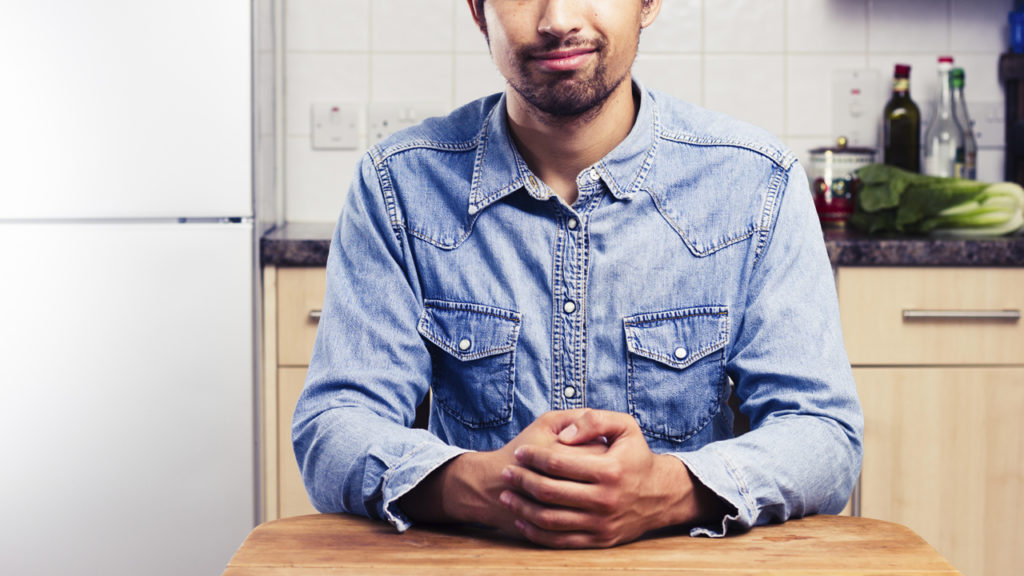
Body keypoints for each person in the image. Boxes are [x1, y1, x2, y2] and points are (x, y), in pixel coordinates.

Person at [292, 0, 863, 549]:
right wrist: (487, 488)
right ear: (476, 9)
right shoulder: (398, 186)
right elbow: (335, 426)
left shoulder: (757, 184)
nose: (557, 19)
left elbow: (821, 434)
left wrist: (666, 492)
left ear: (648, 1)